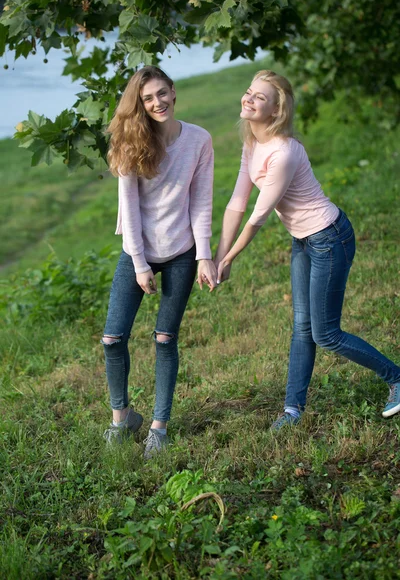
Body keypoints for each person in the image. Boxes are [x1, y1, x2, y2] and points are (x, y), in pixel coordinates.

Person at [214, 69, 400, 429]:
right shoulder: (251, 144)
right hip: (303, 240)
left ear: (276, 111)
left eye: (260, 97)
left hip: (330, 237)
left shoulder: (283, 153)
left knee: (326, 333)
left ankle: (396, 377)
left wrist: (229, 259)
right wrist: (219, 255)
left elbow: (257, 217)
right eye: (249, 91)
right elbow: (237, 203)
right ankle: (292, 411)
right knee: (302, 327)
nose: (249, 98)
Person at [102, 65, 217, 458]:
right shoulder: (130, 143)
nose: (158, 102)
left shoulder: (199, 140)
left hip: (182, 252)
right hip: (139, 253)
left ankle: (159, 427)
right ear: (139, 103)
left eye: (162, 93)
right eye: (148, 98)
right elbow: (129, 212)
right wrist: (138, 263)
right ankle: (122, 420)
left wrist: (203, 254)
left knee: (165, 338)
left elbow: (201, 201)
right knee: (112, 338)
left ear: (173, 91)